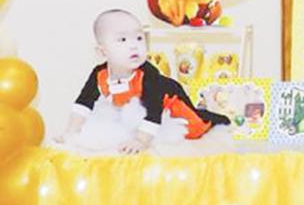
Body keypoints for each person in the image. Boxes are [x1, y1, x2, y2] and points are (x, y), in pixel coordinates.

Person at [56, 9, 229, 154]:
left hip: (172, 104)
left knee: (195, 127)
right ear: (103, 52)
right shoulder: (99, 74)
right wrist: (70, 132)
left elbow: (154, 111)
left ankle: (219, 119)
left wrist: (141, 141)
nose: (134, 45)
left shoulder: (148, 75)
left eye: (139, 38)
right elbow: (83, 104)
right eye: (123, 40)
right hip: (141, 112)